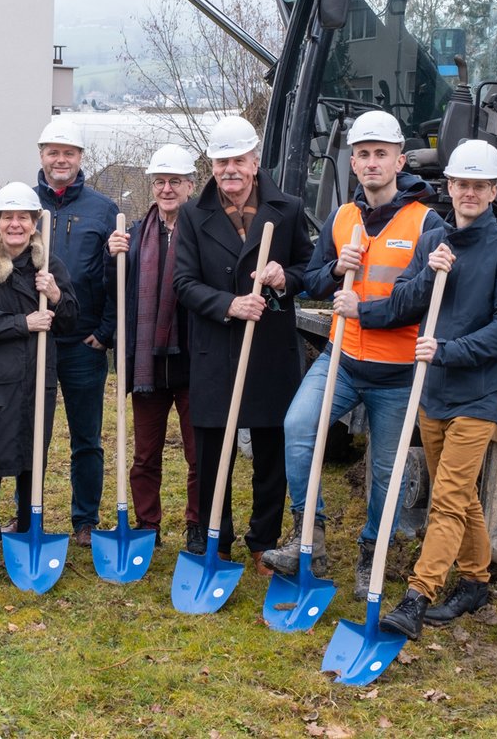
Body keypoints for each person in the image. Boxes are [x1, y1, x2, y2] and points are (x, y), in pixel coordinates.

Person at [334, 139, 497, 639]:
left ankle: (416, 597)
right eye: (461, 184)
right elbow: (404, 302)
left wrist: (446, 351)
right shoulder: (433, 242)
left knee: (446, 497)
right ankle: (475, 581)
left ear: (493, 191)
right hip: (434, 392)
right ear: (450, 187)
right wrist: (427, 273)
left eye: (479, 185)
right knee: (462, 494)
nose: (469, 193)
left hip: (479, 394)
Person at [262, 111, 446, 600]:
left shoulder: (427, 222)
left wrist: (363, 309)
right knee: (298, 428)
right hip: (341, 360)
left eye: (379, 154)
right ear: (353, 161)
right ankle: (310, 539)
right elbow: (314, 280)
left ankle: (372, 554)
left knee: (385, 476)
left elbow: (423, 298)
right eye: (362, 154)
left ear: (398, 160)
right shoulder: (343, 217)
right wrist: (334, 270)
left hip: (398, 371)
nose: (370, 162)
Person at [173, 115, 313, 573]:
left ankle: (264, 540)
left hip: (269, 349)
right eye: (220, 161)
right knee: (213, 451)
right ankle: (219, 537)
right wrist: (229, 305)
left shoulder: (287, 209)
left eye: (237, 160)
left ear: (255, 162)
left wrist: (282, 278)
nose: (229, 169)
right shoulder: (194, 215)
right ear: (211, 165)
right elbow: (183, 283)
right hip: (217, 348)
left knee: (271, 449)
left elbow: (308, 271)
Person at [0, 182, 78, 572]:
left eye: (23, 217)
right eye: (8, 217)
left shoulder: (48, 265)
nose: (16, 224)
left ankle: (26, 528)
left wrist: (56, 295)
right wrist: (23, 322)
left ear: (34, 222)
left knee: (30, 459)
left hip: (36, 379)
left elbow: (71, 320)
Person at [105, 144, 200, 550]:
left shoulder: (202, 231)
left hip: (193, 362)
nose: (166, 189)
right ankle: (148, 525)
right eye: (160, 181)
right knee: (144, 455)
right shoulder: (134, 235)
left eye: (174, 181)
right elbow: (117, 296)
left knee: (199, 455)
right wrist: (114, 260)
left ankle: (197, 525)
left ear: (190, 185)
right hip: (147, 365)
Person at [33, 118, 117, 545]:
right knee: (31, 434)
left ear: (81, 158)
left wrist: (105, 332)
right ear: (42, 155)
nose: (60, 159)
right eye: (52, 151)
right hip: (36, 340)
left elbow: (115, 277)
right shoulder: (23, 205)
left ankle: (85, 520)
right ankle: (26, 513)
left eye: (68, 152)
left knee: (87, 437)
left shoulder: (103, 210)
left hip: (84, 342)